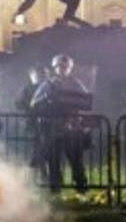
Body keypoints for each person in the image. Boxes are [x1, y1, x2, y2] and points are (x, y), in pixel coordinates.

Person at [31, 54, 92, 193]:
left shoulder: (76, 84)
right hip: (52, 128)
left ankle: (82, 188)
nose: (63, 69)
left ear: (70, 68)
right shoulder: (47, 84)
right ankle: (56, 189)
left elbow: (86, 102)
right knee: (53, 160)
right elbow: (34, 103)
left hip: (72, 128)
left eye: (66, 67)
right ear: (55, 68)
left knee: (76, 159)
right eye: (60, 67)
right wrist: (46, 99)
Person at [17, 66, 50, 179]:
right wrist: (32, 107)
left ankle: (35, 170)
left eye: (43, 74)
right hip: (32, 123)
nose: (40, 77)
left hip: (47, 123)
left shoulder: (50, 88)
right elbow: (19, 104)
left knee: (45, 147)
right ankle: (38, 171)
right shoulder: (27, 89)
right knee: (38, 145)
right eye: (37, 74)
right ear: (31, 76)